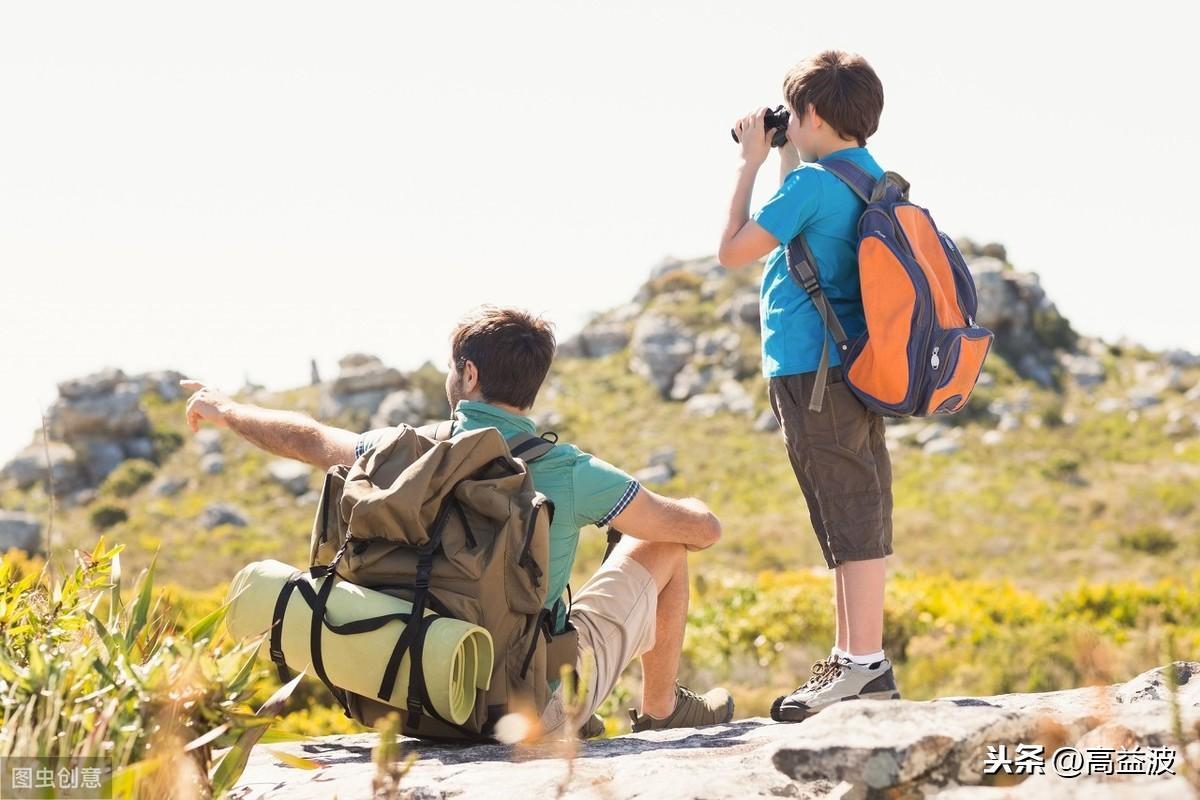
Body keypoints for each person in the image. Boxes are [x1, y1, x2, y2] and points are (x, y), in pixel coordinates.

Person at [180, 305, 735, 738]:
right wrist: (692, 507)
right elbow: (701, 532)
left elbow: (305, 438)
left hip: (417, 691)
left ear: (468, 375)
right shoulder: (568, 470)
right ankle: (662, 712)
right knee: (661, 545)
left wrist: (227, 411)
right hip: (523, 710)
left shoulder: (394, 452)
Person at [716, 50, 900, 722]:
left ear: (812, 114)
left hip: (810, 371)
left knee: (843, 513)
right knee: (854, 506)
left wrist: (749, 163)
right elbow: (806, 229)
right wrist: (787, 154)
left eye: (791, 115)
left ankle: (861, 665)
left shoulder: (810, 186)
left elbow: (733, 249)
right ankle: (855, 658)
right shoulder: (865, 175)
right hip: (855, 369)